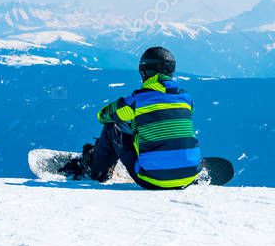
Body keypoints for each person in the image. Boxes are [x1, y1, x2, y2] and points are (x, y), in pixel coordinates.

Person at [62, 47, 202, 189]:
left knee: (113, 126)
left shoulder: (138, 101)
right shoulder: (186, 99)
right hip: (189, 176)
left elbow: (103, 116)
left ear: (144, 72)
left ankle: (96, 170)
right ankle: (182, 164)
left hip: (152, 179)